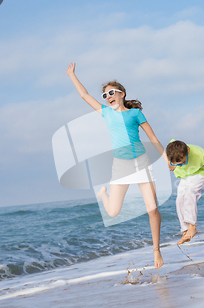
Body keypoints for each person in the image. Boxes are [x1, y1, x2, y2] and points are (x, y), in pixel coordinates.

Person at [66, 63, 171, 268]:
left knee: (152, 210)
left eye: (111, 93)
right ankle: (103, 194)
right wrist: (72, 75)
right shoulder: (106, 112)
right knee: (113, 212)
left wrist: (166, 158)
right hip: (121, 167)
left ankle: (156, 251)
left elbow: (153, 137)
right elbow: (85, 96)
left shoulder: (135, 113)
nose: (108, 97)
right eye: (105, 95)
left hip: (141, 162)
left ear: (122, 94)